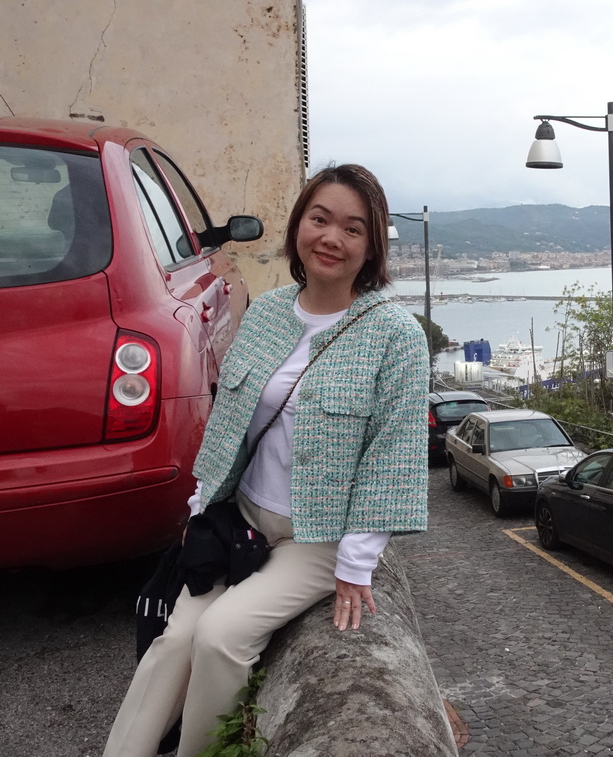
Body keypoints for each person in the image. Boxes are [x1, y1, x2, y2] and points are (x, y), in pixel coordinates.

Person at [104, 164, 429, 757]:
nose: (332, 238)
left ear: (373, 245)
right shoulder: (271, 312)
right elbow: (231, 419)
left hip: (316, 536)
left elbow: (394, 455)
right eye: (320, 218)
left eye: (353, 229)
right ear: (299, 225)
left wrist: (356, 564)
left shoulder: (394, 335)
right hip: (244, 517)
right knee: (174, 638)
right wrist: (204, 504)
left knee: (220, 638)